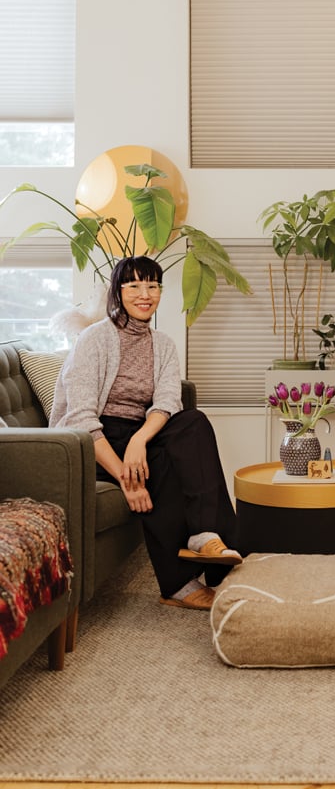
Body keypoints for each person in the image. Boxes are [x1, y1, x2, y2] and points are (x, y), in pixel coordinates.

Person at [50, 256, 240, 610]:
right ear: (117, 291)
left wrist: (139, 440)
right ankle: (178, 585)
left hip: (138, 431)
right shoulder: (93, 340)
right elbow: (80, 418)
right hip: (92, 440)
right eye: (134, 285)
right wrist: (126, 476)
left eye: (153, 285)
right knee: (160, 467)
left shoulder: (163, 344)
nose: (145, 294)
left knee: (193, 422)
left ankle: (204, 533)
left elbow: (168, 401)